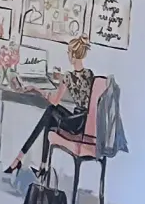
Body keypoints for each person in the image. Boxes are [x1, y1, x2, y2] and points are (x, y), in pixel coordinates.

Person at [8, 38, 95, 174]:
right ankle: (42, 167)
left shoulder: (68, 77)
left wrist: (36, 88)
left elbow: (54, 100)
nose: (68, 56)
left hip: (75, 124)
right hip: (83, 122)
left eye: (68, 53)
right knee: (50, 117)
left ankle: (20, 158)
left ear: (73, 55)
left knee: (50, 110)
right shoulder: (90, 74)